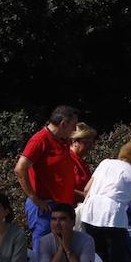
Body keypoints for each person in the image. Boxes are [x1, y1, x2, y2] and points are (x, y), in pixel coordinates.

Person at [14, 105, 81, 249]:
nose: (75, 130)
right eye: (73, 126)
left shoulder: (61, 140)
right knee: (43, 250)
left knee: (58, 252)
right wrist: (34, 198)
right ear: (63, 124)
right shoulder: (40, 140)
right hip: (45, 207)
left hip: (60, 207)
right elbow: (20, 168)